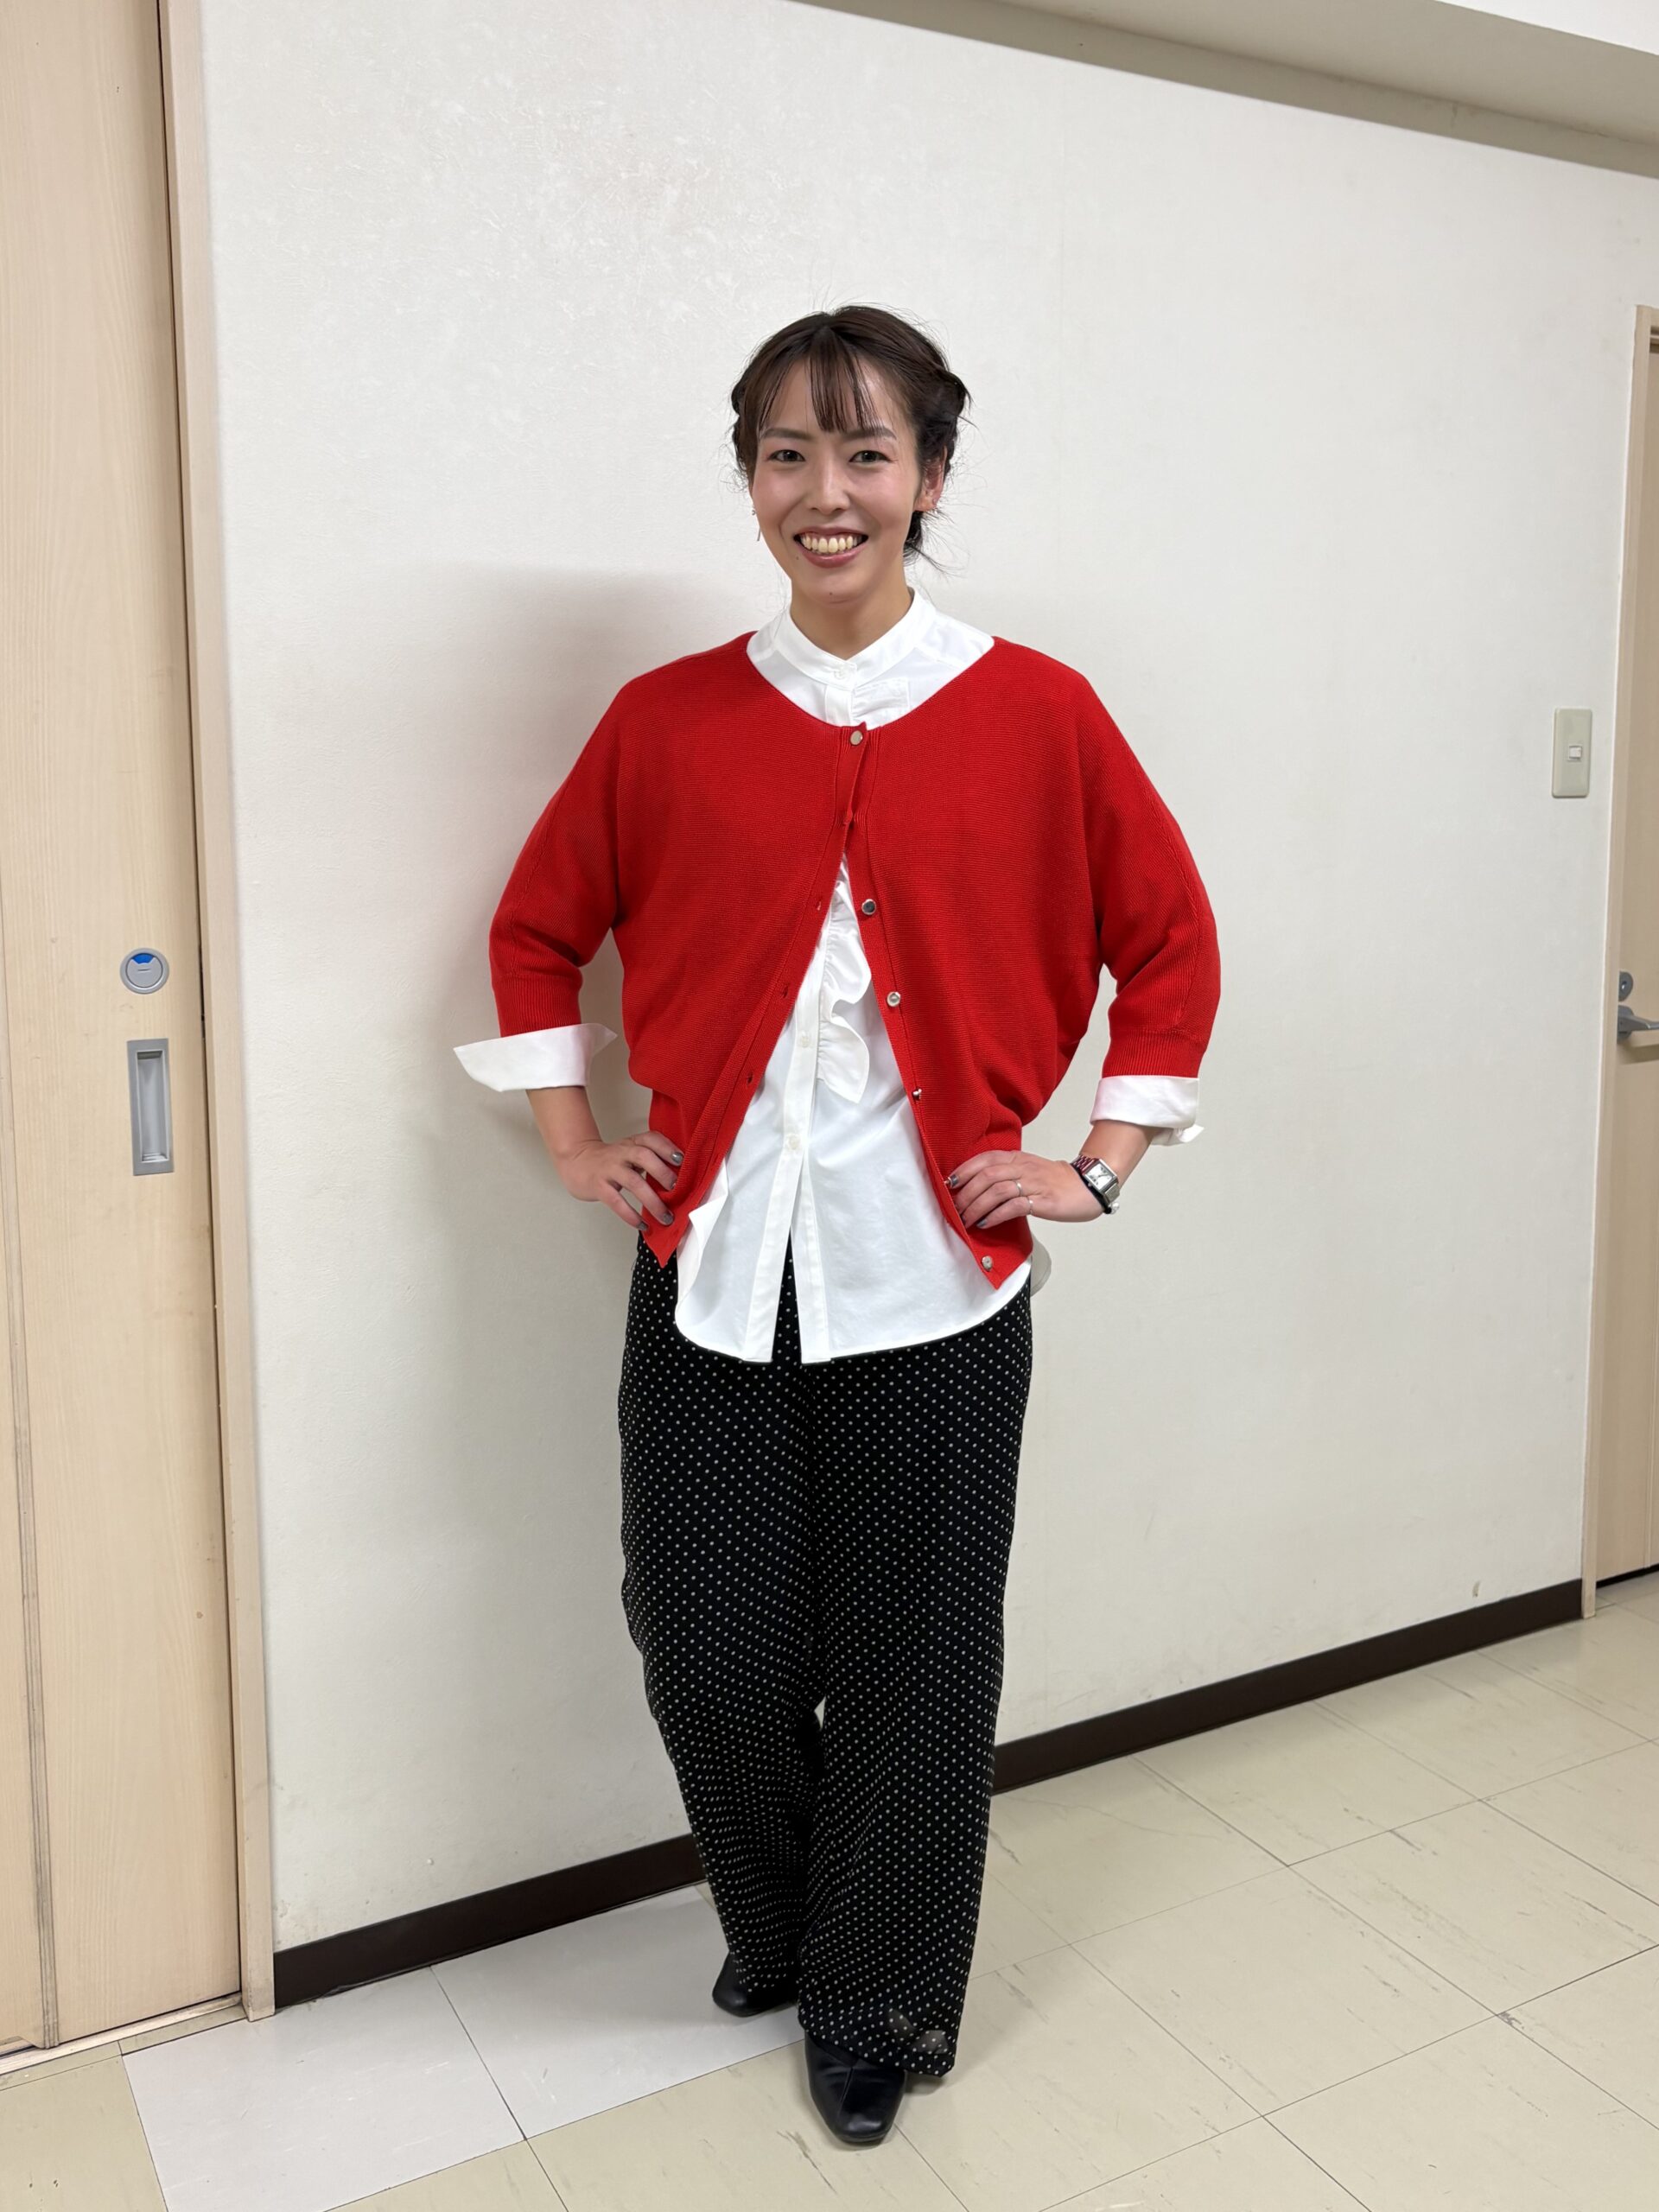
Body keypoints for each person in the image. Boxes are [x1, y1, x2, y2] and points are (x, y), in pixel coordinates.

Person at [454, 304, 1221, 2146]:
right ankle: (787, 1920)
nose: (829, 492)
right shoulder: (669, 721)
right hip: (711, 1268)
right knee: (701, 1639)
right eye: (788, 454)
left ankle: (874, 1995)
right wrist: (577, 1140)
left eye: (867, 453)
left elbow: (1172, 944)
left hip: (936, 1280)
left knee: (914, 1659)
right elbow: (538, 928)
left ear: (928, 478)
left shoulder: (1039, 713)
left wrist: (1099, 1160)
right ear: (750, 481)